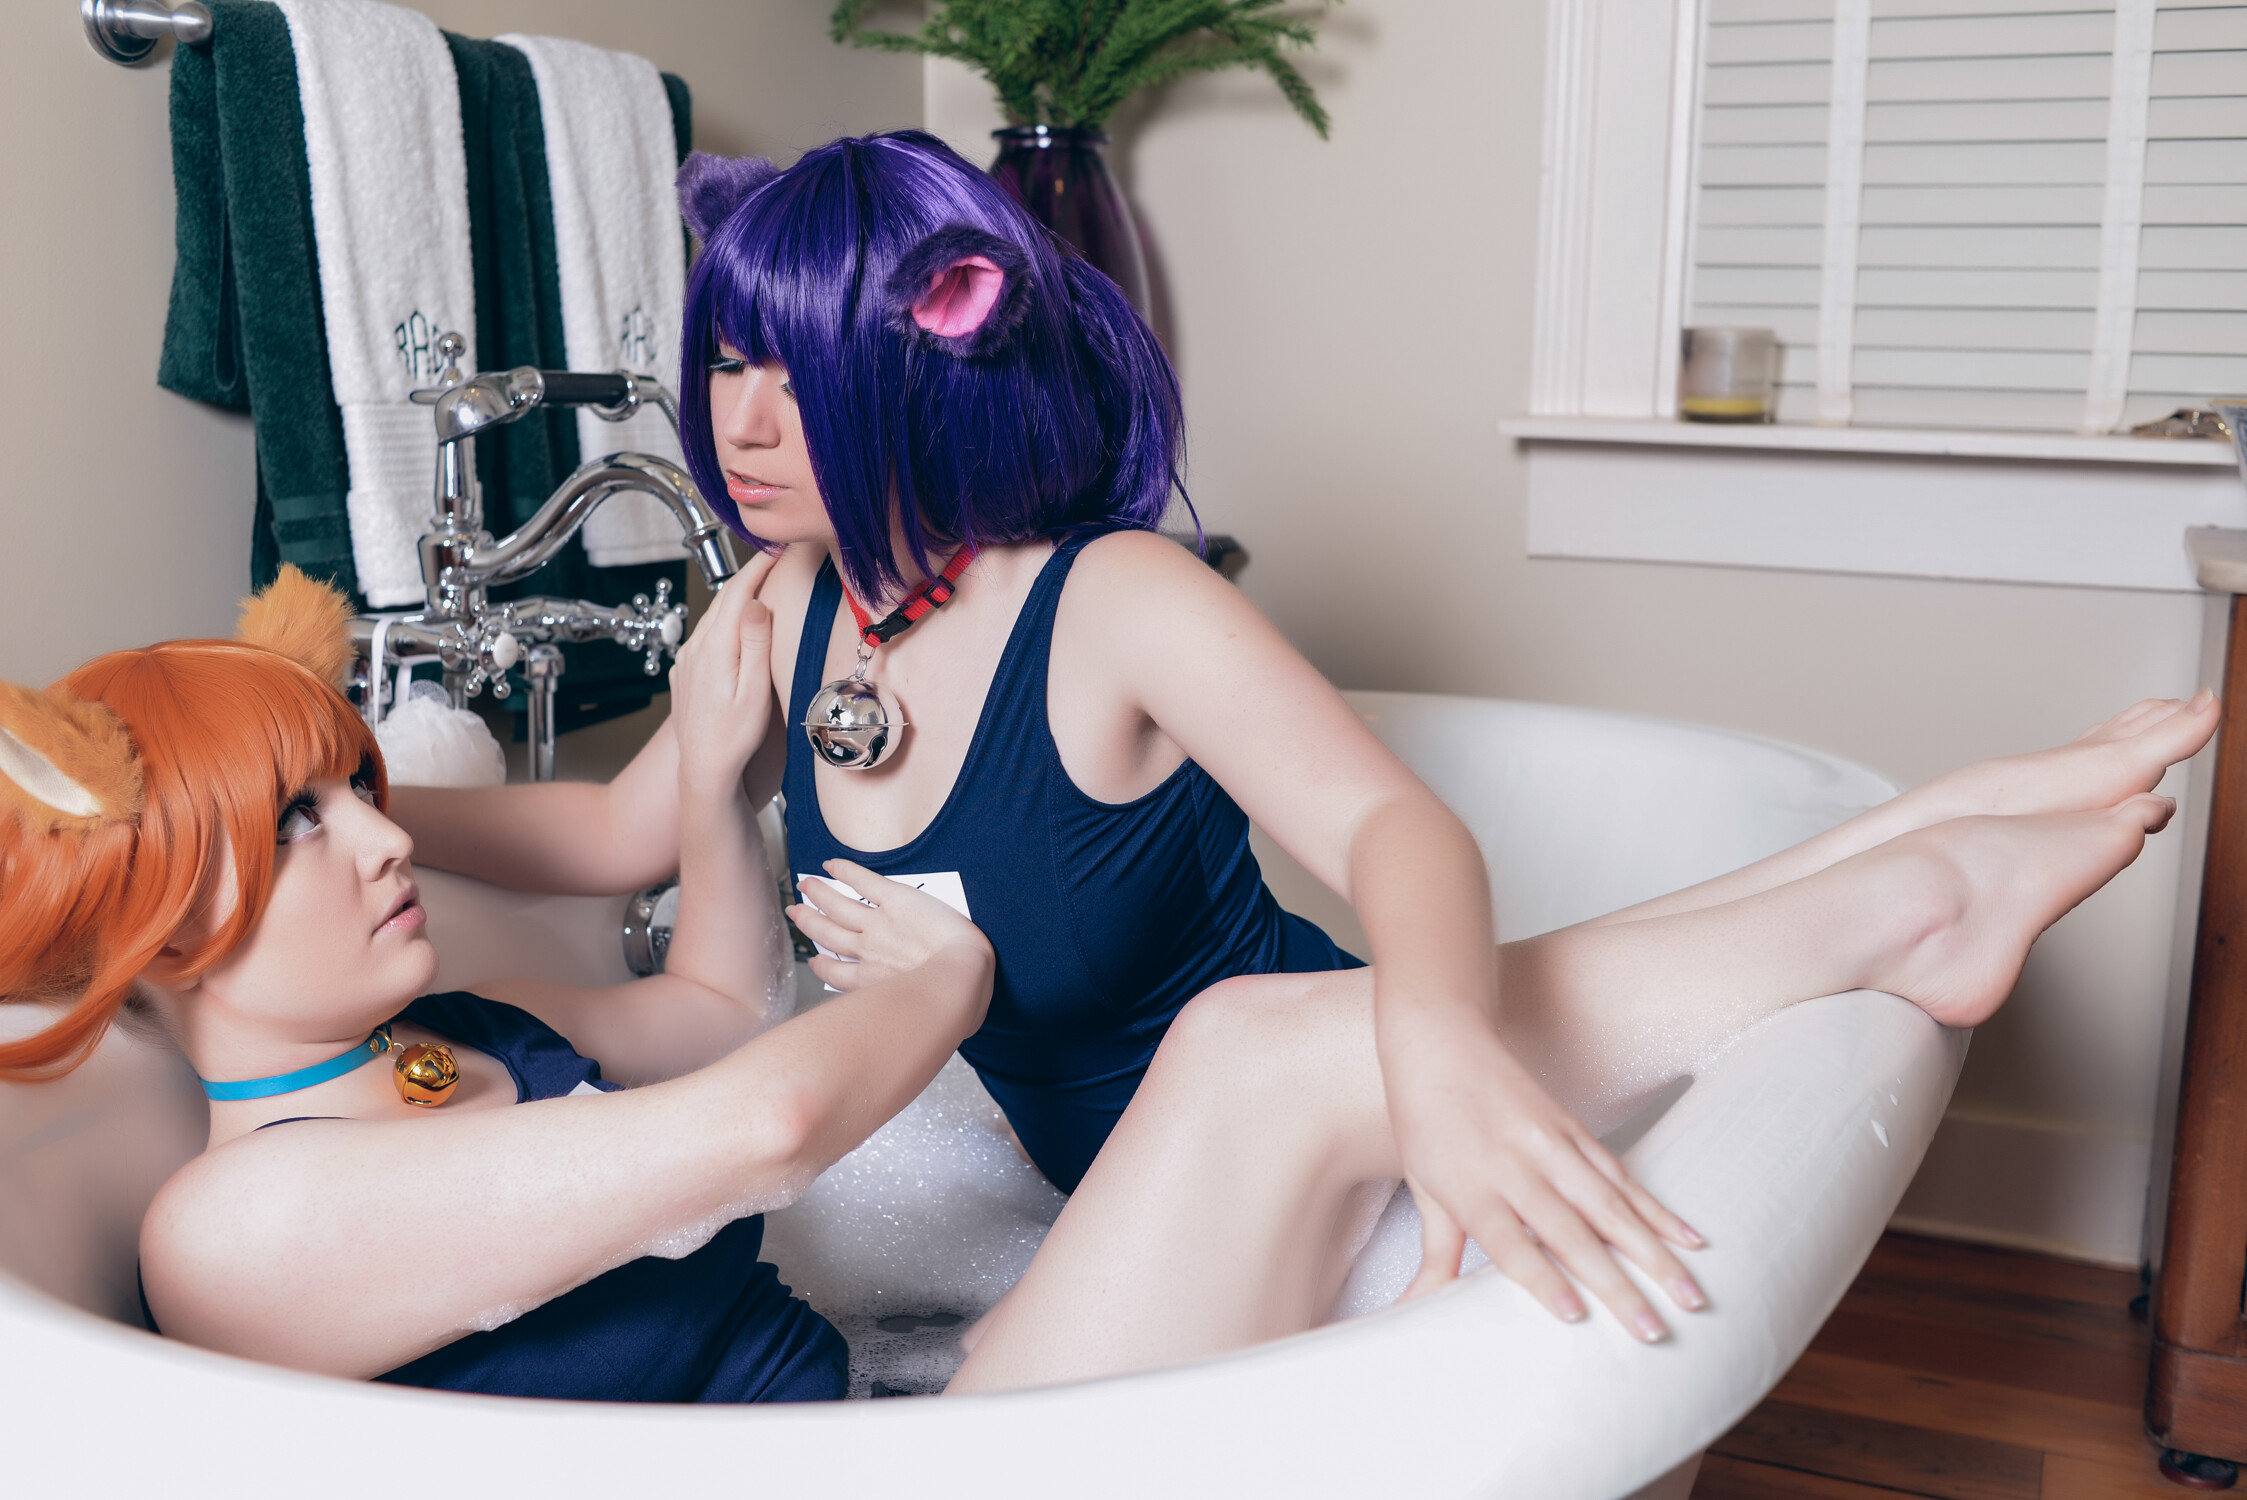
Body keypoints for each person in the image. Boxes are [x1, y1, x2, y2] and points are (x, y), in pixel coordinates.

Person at [389, 130, 2222, 1352]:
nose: (742, 419)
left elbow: (1397, 834)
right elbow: (623, 837)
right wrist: (357, 790)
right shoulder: (787, 607)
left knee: (1300, 1032)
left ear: (927, 369)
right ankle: (1919, 848)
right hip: (1123, 1200)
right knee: (1422, 1010)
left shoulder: (1108, 600)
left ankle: (1910, 886)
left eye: (802, 371)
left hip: (1327, 1174)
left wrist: (1435, 1052)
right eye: (728, 361)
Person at [0, 562, 991, 1400]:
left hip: (866, 1414)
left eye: (358, 787)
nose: (389, 838)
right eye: (297, 820)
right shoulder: (231, 1229)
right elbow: (771, 1128)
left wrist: (709, 779)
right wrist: (956, 972)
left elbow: (723, 1011)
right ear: (165, 928)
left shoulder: (469, 1027)